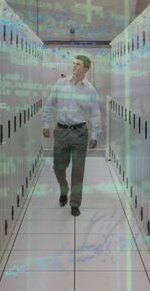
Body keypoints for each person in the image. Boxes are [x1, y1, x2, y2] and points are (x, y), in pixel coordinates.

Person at [42, 55, 101, 216]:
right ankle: (63, 188)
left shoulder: (90, 90)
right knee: (58, 167)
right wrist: (46, 124)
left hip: (80, 133)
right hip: (61, 132)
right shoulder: (60, 85)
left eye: (78, 64)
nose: (74, 66)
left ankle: (75, 203)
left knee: (78, 170)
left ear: (86, 69)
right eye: (73, 63)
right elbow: (49, 105)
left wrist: (95, 135)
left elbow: (95, 114)